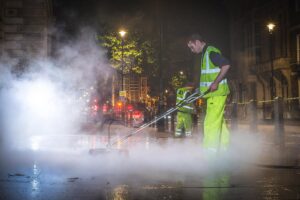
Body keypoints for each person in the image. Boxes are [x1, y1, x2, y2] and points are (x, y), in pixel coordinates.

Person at [187, 34, 231, 155]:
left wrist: (216, 83)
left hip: (216, 95)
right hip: (215, 95)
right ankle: (225, 149)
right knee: (219, 123)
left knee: (210, 123)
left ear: (197, 42)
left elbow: (226, 65)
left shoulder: (210, 53)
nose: (192, 50)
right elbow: (208, 77)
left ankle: (209, 154)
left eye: (192, 47)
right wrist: (199, 90)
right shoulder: (205, 54)